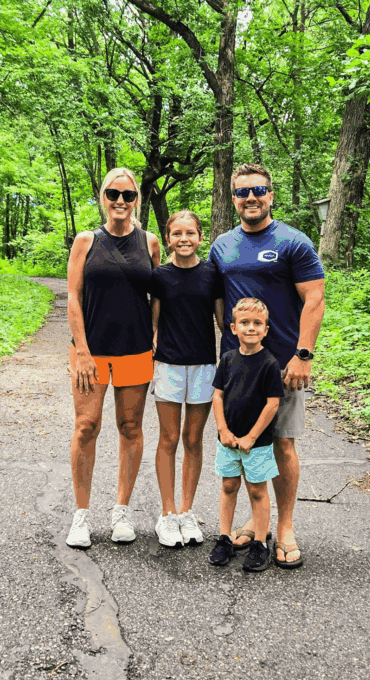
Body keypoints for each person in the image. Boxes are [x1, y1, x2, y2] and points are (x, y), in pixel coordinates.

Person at [209, 163, 325, 569]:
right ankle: (257, 522)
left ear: (270, 195)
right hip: (238, 367)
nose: (251, 197)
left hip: (283, 365)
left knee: (283, 443)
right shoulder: (222, 245)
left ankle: (285, 526)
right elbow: (218, 298)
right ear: (233, 199)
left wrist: (303, 354)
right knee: (245, 444)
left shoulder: (293, 241)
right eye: (242, 192)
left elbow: (314, 298)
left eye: (258, 190)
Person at [65, 167, 161, 549]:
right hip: (91, 351)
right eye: (113, 193)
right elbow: (73, 296)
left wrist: (155, 333)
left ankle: (121, 511)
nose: (120, 200)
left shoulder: (150, 242)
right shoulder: (86, 241)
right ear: (103, 197)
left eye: (128, 194)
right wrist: (82, 350)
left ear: (136, 199)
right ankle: (81, 515)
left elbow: (158, 294)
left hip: (135, 349)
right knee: (86, 426)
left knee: (131, 427)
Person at [149, 210, 224, 548]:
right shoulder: (160, 276)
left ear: (200, 236)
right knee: (168, 438)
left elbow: (222, 321)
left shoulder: (211, 273)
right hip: (169, 365)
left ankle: (186, 511)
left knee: (193, 439)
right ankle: (167, 514)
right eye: (177, 233)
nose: (184, 239)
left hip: (204, 366)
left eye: (190, 233)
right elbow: (154, 322)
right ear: (168, 238)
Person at [208, 298, 283, 572]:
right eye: (245, 322)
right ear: (233, 328)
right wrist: (223, 430)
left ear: (265, 330)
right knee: (229, 486)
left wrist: (251, 436)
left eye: (257, 323)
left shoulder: (269, 364)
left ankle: (260, 543)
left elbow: (272, 403)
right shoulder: (228, 360)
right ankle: (225, 538)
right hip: (228, 441)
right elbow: (218, 396)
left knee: (257, 490)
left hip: (257, 444)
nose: (251, 328)